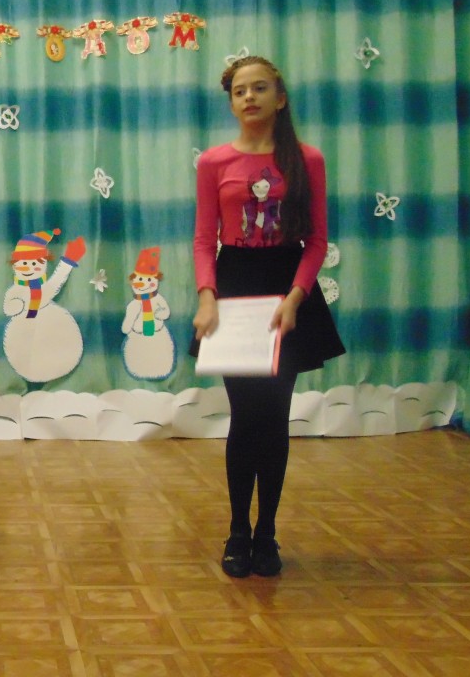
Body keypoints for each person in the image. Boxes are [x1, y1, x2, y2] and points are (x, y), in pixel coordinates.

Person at [191, 56, 345, 578]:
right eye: (239, 91)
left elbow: (316, 239)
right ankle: (238, 531)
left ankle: (267, 534)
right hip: (234, 287)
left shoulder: (308, 159)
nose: (249, 97)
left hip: (286, 288)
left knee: (274, 417)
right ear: (231, 102)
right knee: (244, 416)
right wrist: (207, 296)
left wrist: (296, 297)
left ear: (280, 98)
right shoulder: (214, 162)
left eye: (259, 88)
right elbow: (203, 239)